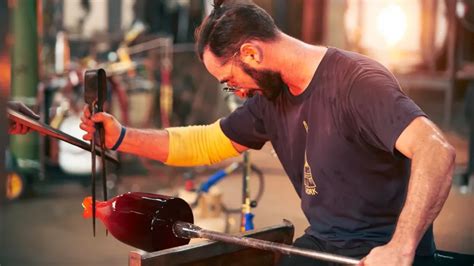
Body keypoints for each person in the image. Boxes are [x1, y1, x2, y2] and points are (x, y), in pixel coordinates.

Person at [80, 1, 455, 265]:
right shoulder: (270, 98)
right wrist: (120, 136)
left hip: (382, 254)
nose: (236, 92)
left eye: (230, 81)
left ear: (252, 54)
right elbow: (204, 142)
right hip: (323, 246)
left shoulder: (357, 82)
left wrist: (402, 248)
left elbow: (436, 150)